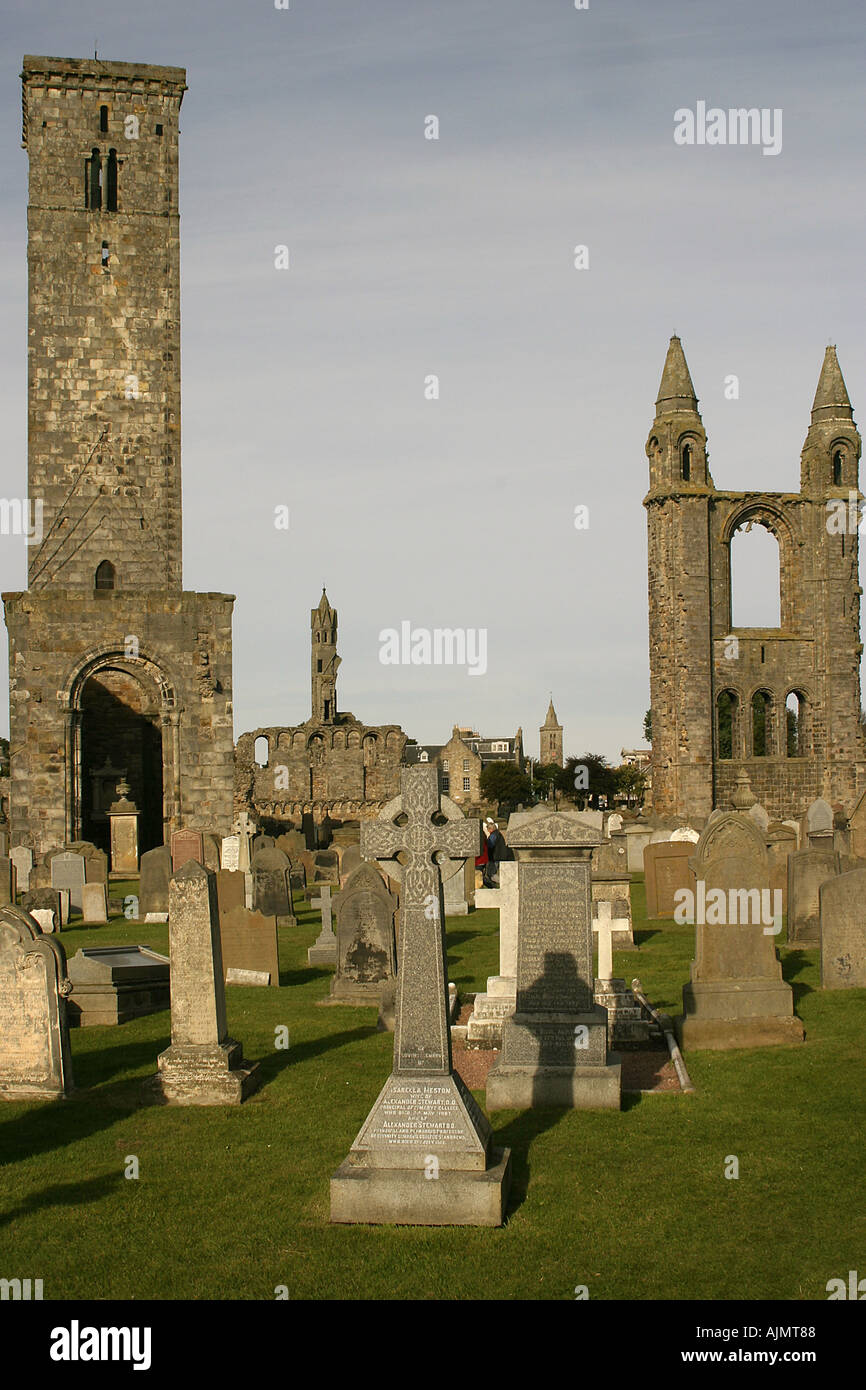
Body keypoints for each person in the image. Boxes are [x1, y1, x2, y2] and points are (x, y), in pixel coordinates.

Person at [483, 818, 507, 887]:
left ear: (491, 829)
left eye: (488, 829)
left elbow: (490, 845)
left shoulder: (493, 835)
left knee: (491, 874)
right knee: (492, 873)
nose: (488, 831)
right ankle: (496, 885)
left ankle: (503, 883)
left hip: (494, 857)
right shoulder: (498, 834)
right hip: (499, 856)